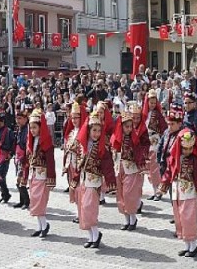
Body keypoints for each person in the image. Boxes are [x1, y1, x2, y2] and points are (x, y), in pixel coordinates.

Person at [157, 129, 197, 258]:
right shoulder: (175, 158)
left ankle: (193, 244)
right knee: (180, 219)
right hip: (177, 193)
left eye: (190, 149)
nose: (188, 151)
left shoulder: (195, 160)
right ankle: (187, 245)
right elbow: (168, 173)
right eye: (185, 148)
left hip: (189, 193)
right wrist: (163, 186)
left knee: (188, 219)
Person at [71, 112, 117, 248]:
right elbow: (78, 166)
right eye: (94, 130)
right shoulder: (82, 146)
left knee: (89, 208)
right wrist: (74, 180)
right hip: (84, 181)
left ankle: (96, 234)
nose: (96, 134)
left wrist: (111, 182)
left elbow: (108, 166)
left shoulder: (102, 147)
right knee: (83, 209)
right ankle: (91, 237)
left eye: (98, 131)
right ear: (88, 130)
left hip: (95, 182)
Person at [111, 111, 146, 231]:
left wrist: (142, 166)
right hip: (119, 169)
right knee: (120, 195)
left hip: (131, 170)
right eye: (126, 126)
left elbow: (139, 153)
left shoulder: (134, 140)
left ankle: (133, 218)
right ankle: (126, 220)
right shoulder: (116, 139)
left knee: (129, 195)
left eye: (131, 126)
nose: (129, 129)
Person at [26, 109, 56, 237]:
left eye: (35, 127)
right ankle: (40, 226)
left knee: (40, 201)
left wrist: (51, 178)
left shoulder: (47, 141)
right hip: (34, 175)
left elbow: (50, 162)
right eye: (31, 128)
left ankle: (44, 225)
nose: (32, 130)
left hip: (43, 176)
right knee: (34, 200)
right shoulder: (32, 141)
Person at [142, 89, 168, 201]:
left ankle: (159, 191)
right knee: (149, 168)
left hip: (155, 141)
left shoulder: (158, 114)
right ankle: (154, 190)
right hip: (147, 141)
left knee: (155, 167)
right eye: (150, 102)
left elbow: (164, 129)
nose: (152, 105)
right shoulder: (144, 114)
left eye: (154, 102)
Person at [156, 104, 184, 204]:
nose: (169, 126)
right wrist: (159, 160)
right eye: (168, 124)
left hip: (177, 167)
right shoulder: (166, 132)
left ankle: (180, 216)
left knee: (177, 191)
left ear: (179, 124)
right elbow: (160, 146)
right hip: (165, 164)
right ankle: (176, 214)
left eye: (172, 124)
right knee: (172, 191)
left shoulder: (183, 134)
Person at [62, 102, 86, 221]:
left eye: (76, 117)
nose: (74, 120)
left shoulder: (84, 132)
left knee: (80, 189)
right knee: (73, 188)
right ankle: (78, 212)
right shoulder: (71, 132)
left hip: (79, 165)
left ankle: (83, 213)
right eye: (72, 117)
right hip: (71, 164)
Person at [128, 102, 151, 213]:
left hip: (140, 160)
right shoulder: (126, 127)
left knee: (138, 184)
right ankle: (133, 204)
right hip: (129, 161)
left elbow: (147, 143)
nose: (135, 120)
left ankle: (138, 203)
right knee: (129, 184)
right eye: (133, 118)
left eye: (138, 118)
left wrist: (144, 154)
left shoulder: (143, 129)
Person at [0, 112, 14, 204]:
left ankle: (6, 194)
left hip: (5, 155)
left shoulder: (8, 131)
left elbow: (14, 143)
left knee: (0, 176)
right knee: (0, 176)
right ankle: (4, 195)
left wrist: (11, 153)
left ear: (2, 122)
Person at [13, 109, 31, 210]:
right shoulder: (19, 129)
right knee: (19, 180)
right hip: (18, 157)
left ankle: (26, 201)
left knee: (22, 180)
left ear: (25, 119)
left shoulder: (27, 130)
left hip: (24, 158)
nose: (18, 121)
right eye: (17, 118)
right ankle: (21, 201)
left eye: (20, 118)